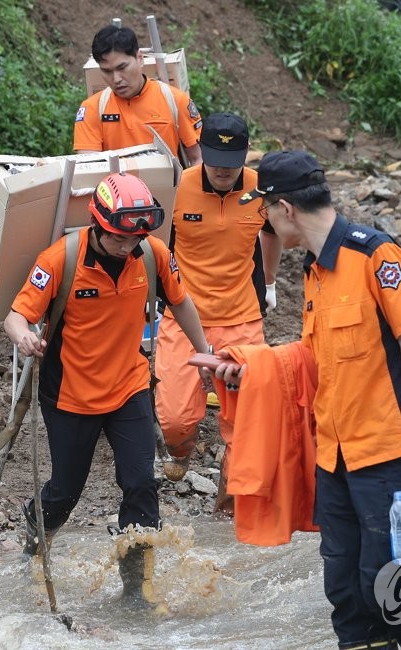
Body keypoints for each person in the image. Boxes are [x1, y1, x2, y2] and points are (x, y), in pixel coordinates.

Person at [218, 151, 401, 649]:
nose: (264, 222)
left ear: (285, 210)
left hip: (386, 450)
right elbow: (315, 356)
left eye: (265, 211)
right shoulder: (315, 272)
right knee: (344, 590)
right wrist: (248, 366)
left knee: (384, 588)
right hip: (334, 454)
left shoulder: (376, 257)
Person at [4, 172, 211, 604]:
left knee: (141, 483)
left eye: (135, 238)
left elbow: (181, 301)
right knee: (65, 491)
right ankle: (34, 542)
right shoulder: (60, 259)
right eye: (118, 238)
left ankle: (136, 588)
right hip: (69, 396)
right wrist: (24, 337)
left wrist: (204, 352)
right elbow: (16, 315)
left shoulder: (152, 254)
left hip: (129, 388)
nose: (127, 246)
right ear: (98, 224)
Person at [154, 112, 281, 512]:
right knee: (175, 421)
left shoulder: (262, 190)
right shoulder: (177, 188)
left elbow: (273, 233)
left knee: (245, 425)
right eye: (214, 160)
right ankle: (181, 450)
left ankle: (229, 510)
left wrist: (271, 282)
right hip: (183, 317)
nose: (223, 171)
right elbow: (157, 247)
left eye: (232, 163)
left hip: (242, 318)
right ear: (200, 152)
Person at [74, 25, 202, 166]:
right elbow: (89, 167)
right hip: (116, 187)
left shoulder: (176, 100)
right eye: (107, 71)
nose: (116, 79)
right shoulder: (92, 109)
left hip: (168, 187)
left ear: (140, 58)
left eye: (122, 68)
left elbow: (198, 159)